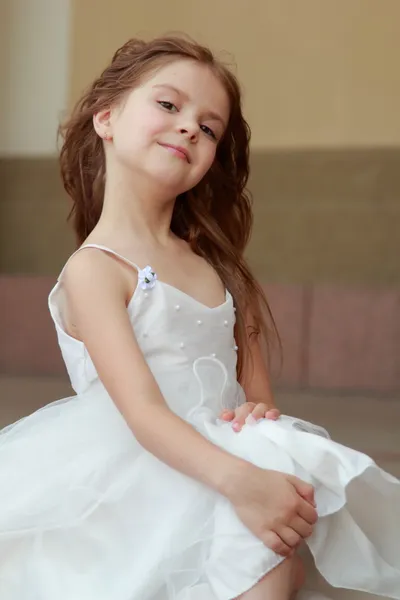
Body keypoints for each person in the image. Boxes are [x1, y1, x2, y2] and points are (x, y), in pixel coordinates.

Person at [0, 36, 399, 600]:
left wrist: (258, 418)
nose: (189, 126)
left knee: (269, 546)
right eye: (169, 105)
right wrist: (242, 483)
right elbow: (141, 413)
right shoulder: (96, 270)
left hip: (229, 464)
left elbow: (256, 398)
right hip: (141, 479)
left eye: (209, 128)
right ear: (107, 118)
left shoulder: (221, 270)